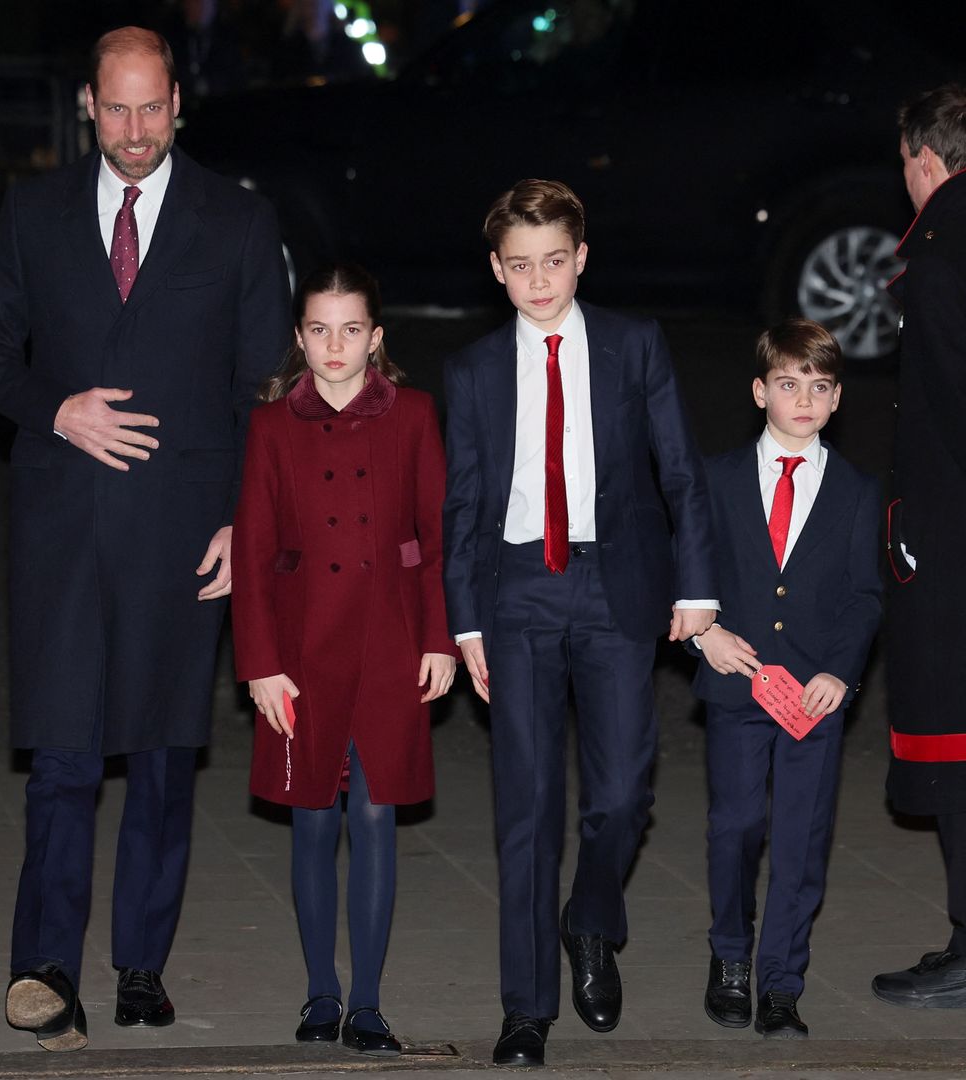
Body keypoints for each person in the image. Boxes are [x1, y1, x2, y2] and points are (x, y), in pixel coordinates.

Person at [0, 26, 290, 1052]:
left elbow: (265, 394)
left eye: (153, 109)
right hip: (62, 529)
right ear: (89, 109)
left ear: (178, 104)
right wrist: (54, 409)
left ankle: (140, 962)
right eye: (118, 110)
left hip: (183, 539)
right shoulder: (36, 212)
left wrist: (246, 521)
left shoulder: (235, 222)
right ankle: (45, 963)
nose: (136, 132)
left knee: (159, 757)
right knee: (61, 758)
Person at [442, 179, 717, 1067]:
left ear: (582, 257)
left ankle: (590, 916)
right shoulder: (475, 369)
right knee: (524, 806)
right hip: (517, 590)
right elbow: (463, 502)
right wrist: (467, 622)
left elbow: (679, 471)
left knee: (623, 793)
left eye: (554, 262)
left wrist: (698, 587)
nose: (539, 281)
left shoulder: (633, 345)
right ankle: (527, 1008)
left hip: (614, 586)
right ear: (496, 270)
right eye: (520, 267)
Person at [230, 263, 456, 1056]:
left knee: (377, 814)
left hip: (391, 644)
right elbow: (254, 557)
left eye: (351, 329)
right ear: (299, 337)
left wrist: (440, 638)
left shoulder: (415, 415)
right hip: (300, 653)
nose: (335, 345)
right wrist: (259, 662)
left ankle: (367, 1003)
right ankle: (319, 994)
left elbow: (435, 541)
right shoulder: (269, 428)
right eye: (319, 330)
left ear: (377, 337)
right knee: (312, 822)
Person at [692, 319, 881, 1038]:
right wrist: (703, 634)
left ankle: (781, 982)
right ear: (760, 391)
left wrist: (841, 669)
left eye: (820, 387)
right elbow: (690, 576)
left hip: (812, 695)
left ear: (836, 400)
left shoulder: (858, 490)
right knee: (735, 825)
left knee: (801, 839)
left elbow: (865, 595)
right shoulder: (719, 478)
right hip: (738, 684)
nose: (804, 399)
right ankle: (731, 959)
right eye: (789, 384)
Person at [872, 83, 966, 1010]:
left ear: (927, 162)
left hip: (954, 544)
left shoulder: (941, 256)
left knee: (957, 742)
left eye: (904, 163)